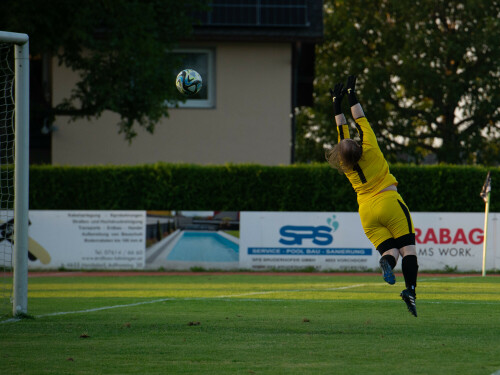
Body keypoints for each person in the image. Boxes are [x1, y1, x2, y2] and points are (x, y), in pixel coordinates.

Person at [326, 75, 419, 317]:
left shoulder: (346, 166)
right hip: (388, 202)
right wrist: (351, 94)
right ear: (357, 145)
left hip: (366, 212)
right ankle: (410, 290)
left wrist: (336, 102)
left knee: (392, 252)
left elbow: (341, 130)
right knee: (408, 250)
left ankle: (387, 263)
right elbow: (359, 118)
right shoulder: (370, 150)